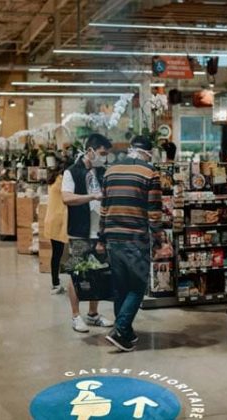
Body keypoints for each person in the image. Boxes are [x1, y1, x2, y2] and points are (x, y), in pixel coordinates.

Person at [98, 135, 162, 352]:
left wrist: (101, 237)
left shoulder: (110, 171)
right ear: (147, 153)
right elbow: (154, 213)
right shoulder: (150, 173)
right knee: (137, 285)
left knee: (120, 288)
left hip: (113, 238)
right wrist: (159, 242)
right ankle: (120, 328)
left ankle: (125, 334)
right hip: (136, 239)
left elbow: (103, 209)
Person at [61, 133, 114, 333]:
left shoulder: (102, 172)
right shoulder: (71, 172)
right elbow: (66, 198)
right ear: (90, 151)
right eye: (101, 153)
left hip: (99, 232)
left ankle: (93, 314)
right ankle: (76, 316)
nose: (104, 157)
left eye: (106, 154)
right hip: (79, 232)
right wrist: (92, 196)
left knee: (98, 273)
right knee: (77, 273)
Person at [43, 158, 69, 295]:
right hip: (58, 221)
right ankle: (55, 283)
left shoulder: (54, 178)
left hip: (52, 219)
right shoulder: (61, 181)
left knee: (56, 253)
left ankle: (55, 282)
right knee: (57, 254)